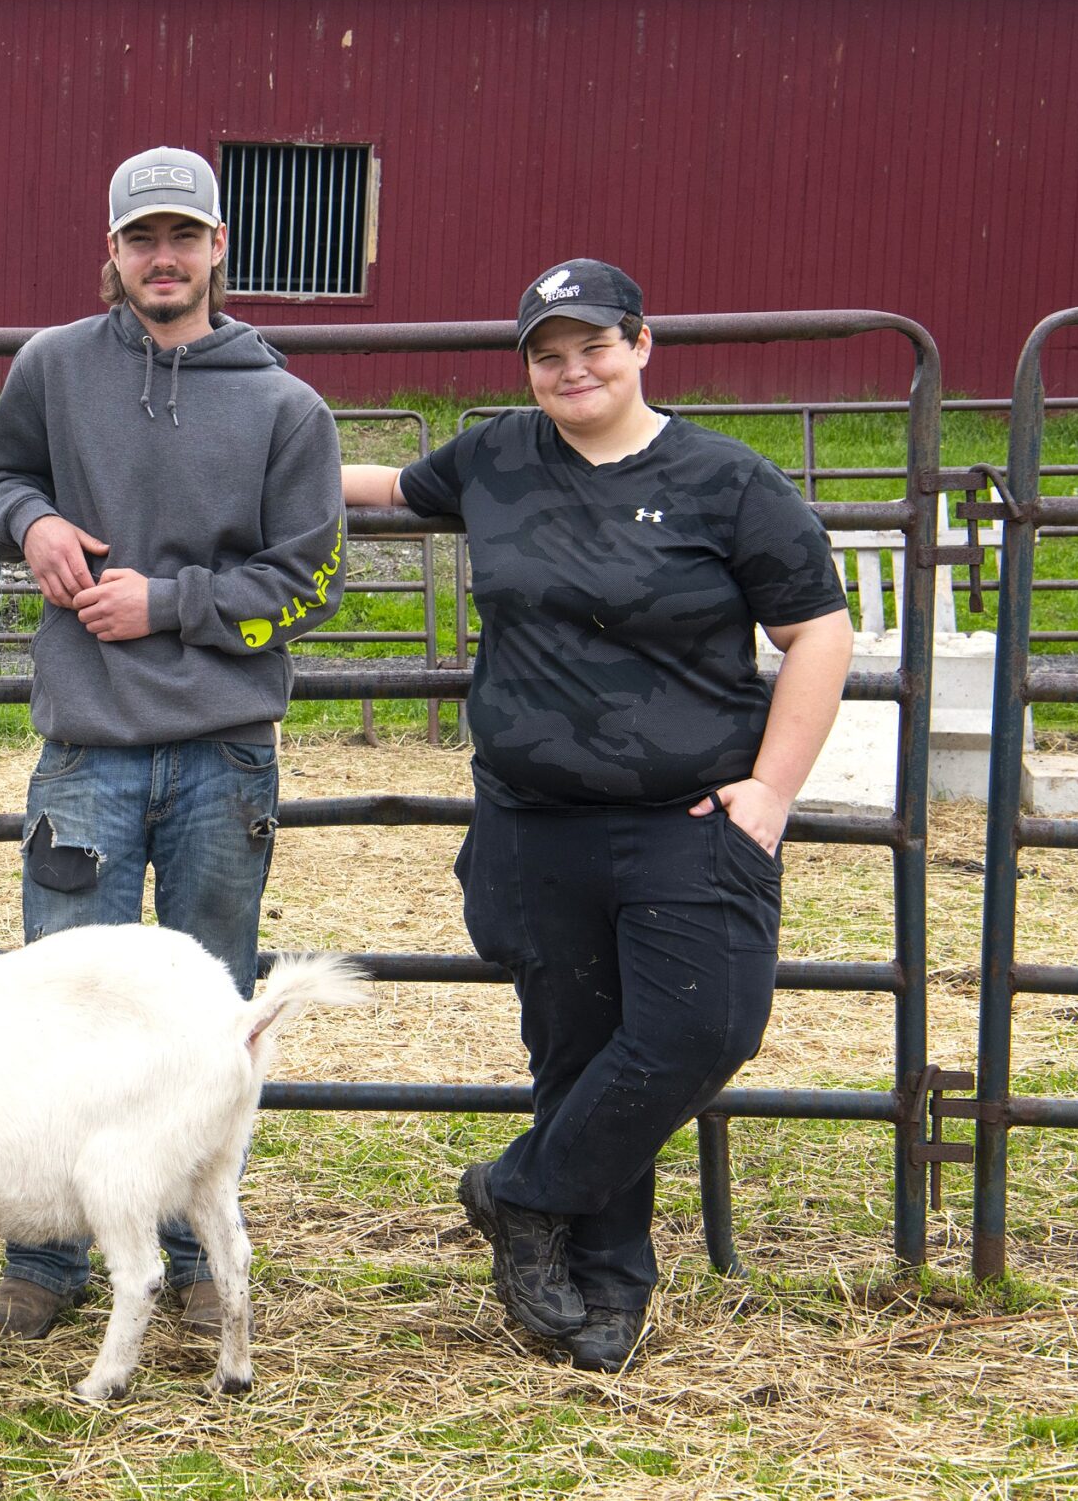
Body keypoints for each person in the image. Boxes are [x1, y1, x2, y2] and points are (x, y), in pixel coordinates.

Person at [342, 258, 853, 1372]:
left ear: (640, 344)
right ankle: (605, 1287)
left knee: (700, 1030)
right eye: (546, 352)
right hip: (533, 818)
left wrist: (771, 789)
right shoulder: (493, 457)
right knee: (576, 1051)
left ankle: (517, 1192)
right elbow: (382, 489)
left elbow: (818, 629)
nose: (571, 369)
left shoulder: (727, 481)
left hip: (687, 815)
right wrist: (236, 467)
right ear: (526, 365)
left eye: (593, 345)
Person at [0, 147, 348, 1341]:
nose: (163, 258)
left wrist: (170, 605)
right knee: (55, 1006)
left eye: (184, 237)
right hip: (85, 744)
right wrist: (28, 524)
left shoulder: (285, 406)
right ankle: (46, 1255)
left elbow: (311, 580)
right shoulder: (55, 368)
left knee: (208, 1009)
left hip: (221, 751)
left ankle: (187, 1250)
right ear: (114, 251)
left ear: (219, 248)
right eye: (143, 239)